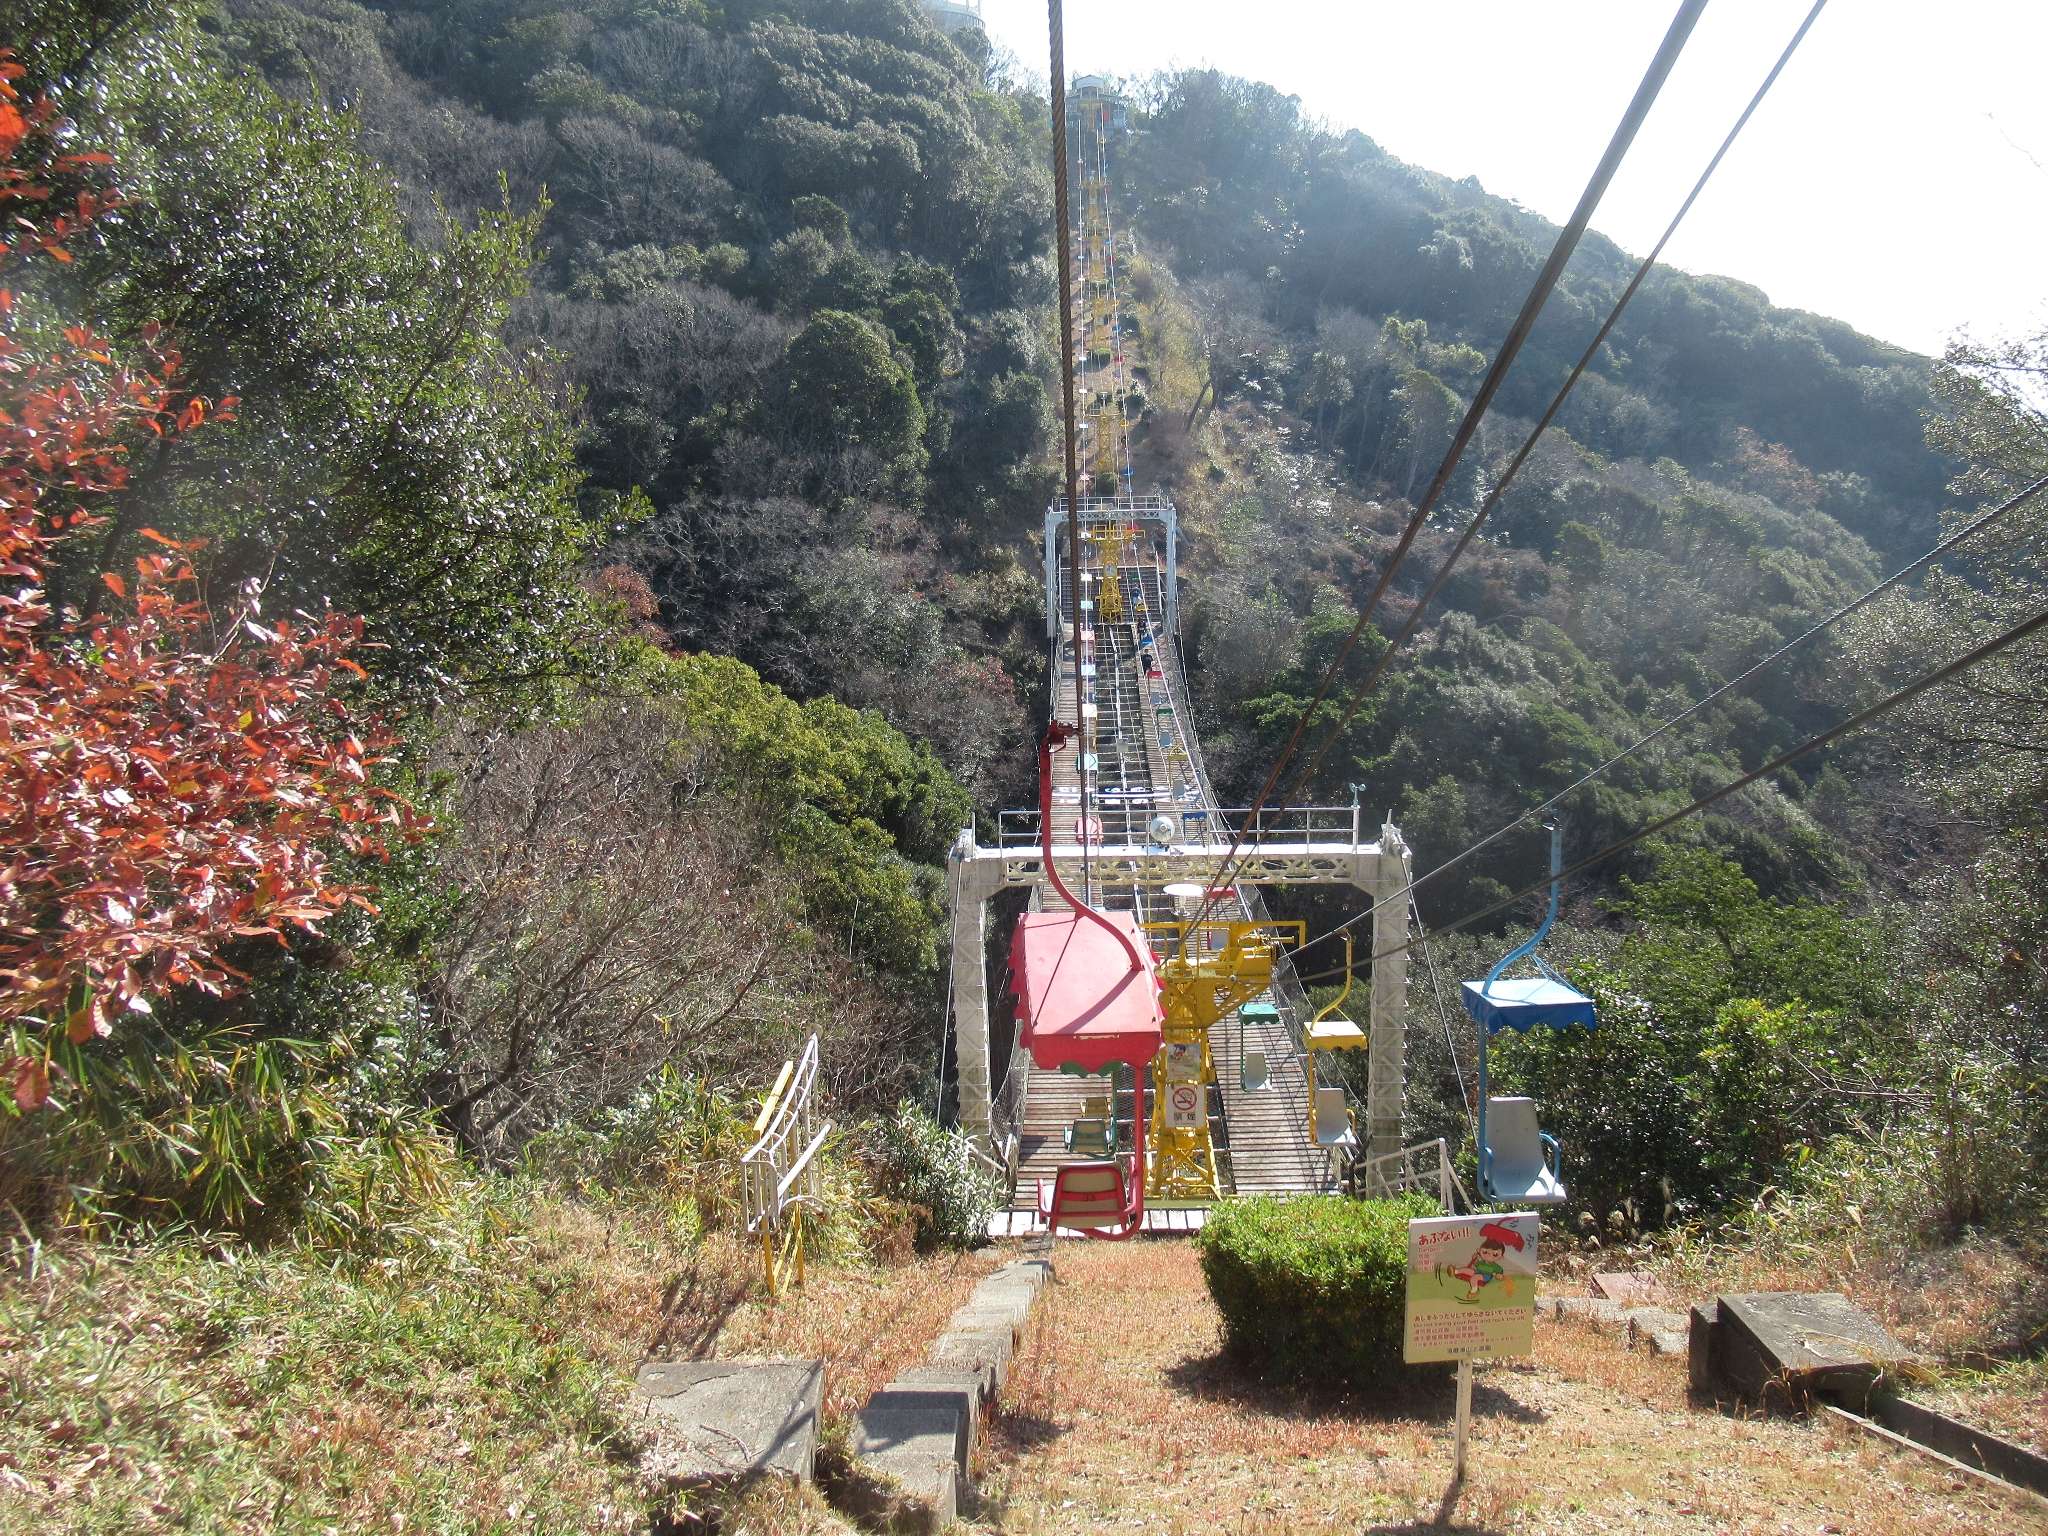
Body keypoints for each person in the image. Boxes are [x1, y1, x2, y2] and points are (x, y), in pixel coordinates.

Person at [1448, 1221, 1525, 1302]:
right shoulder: (1481, 1261)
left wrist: (1499, 1276)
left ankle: (1474, 1290)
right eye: (1485, 1252)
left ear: (1501, 1257)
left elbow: (1499, 1273)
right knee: (1467, 1270)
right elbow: (1476, 1265)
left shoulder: (1495, 1266)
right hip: (1478, 1272)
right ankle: (1455, 1271)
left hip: (1485, 1276)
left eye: (1495, 1254)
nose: (1488, 1255)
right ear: (1479, 1250)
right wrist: (1475, 1258)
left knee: (1474, 1278)